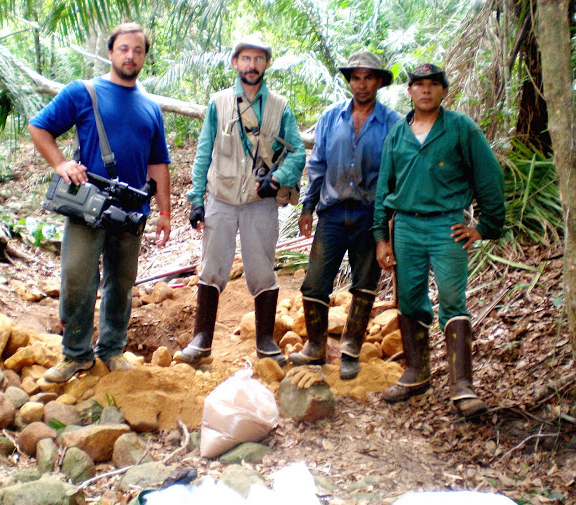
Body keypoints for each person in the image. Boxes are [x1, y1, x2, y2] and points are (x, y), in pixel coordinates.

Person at [28, 23, 171, 382]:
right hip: (88, 205)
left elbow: (158, 164)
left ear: (144, 57)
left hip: (130, 211)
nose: (130, 55)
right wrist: (61, 164)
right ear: (110, 52)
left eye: (137, 50)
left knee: (121, 283)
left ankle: (112, 349)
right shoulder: (83, 92)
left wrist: (165, 212)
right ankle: (76, 354)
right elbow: (39, 126)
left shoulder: (151, 107)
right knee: (77, 277)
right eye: (123, 48)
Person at [373, 63, 505, 418]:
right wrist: (380, 238)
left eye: (433, 85)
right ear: (410, 92)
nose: (426, 90)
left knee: (451, 297)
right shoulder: (398, 135)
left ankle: (462, 385)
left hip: (447, 226)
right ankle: (417, 372)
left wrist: (486, 226)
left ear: (444, 91)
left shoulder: (460, 128)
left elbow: (489, 176)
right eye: (419, 85)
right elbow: (384, 188)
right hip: (406, 228)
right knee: (410, 298)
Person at [177, 33, 306, 367]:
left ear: (266, 64)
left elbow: (298, 152)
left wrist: (278, 179)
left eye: (259, 59)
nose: (252, 65)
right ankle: (202, 339)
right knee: (211, 266)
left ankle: (265, 341)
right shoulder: (218, 103)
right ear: (235, 63)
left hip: (259, 201)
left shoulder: (280, 107)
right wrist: (196, 199)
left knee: (262, 269)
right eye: (246, 59)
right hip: (220, 197)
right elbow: (204, 151)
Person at [288, 51, 401, 381]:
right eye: (355, 78)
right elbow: (318, 164)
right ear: (349, 81)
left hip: (372, 214)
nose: (361, 84)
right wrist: (307, 207)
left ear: (379, 81)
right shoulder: (330, 118)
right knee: (314, 284)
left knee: (365, 285)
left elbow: (395, 175)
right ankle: (315, 347)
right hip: (333, 213)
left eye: (368, 78)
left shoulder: (393, 123)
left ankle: (351, 349)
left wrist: (389, 224)